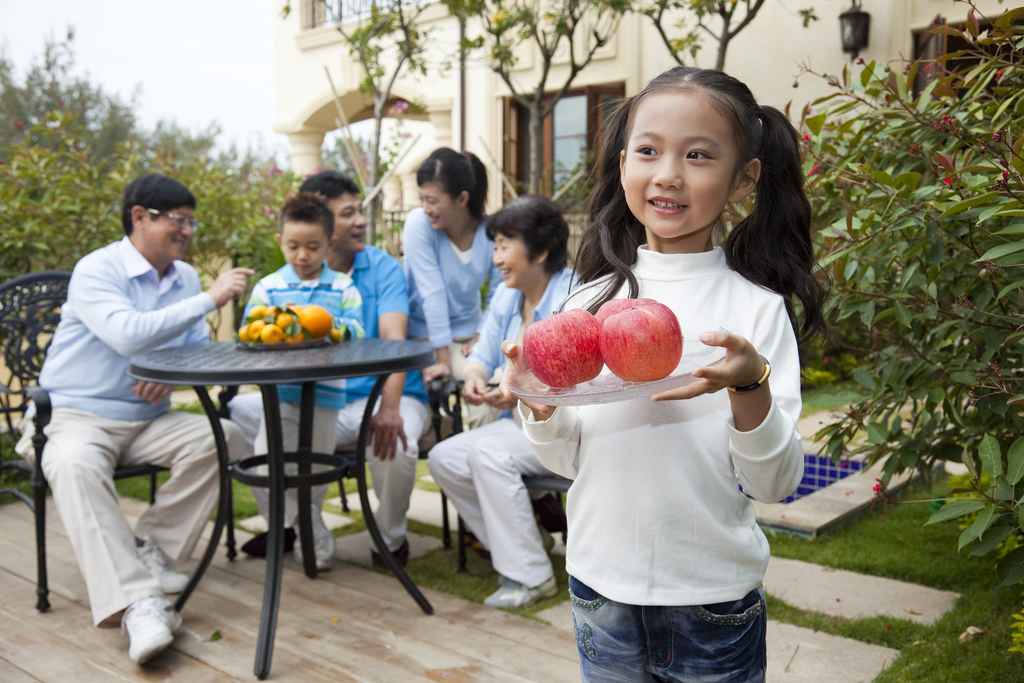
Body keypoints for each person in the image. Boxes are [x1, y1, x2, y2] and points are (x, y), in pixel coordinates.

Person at [498, 66, 828, 681]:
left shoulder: (752, 310)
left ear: (743, 179)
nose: (668, 173)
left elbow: (774, 482)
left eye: (698, 155)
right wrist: (540, 406)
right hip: (600, 585)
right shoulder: (587, 304)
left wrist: (749, 385)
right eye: (648, 151)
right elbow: (569, 460)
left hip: (711, 595)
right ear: (623, 164)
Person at [14, 173, 251, 665]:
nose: (187, 231)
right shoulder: (97, 269)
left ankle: (153, 552)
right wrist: (211, 297)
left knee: (225, 435)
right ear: (140, 217)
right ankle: (138, 604)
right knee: (74, 463)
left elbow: (196, 353)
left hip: (146, 419)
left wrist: (170, 377)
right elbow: (125, 335)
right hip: (76, 416)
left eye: (191, 221)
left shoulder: (182, 277)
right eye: (179, 221)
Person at [229, 170, 431, 569]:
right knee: (238, 419)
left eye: (360, 211)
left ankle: (388, 539)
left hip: (376, 394)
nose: (360, 220)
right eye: (348, 212)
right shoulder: (276, 285)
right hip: (309, 393)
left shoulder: (376, 270)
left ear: (325, 239)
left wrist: (388, 407)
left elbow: (393, 342)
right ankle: (295, 522)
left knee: (398, 441)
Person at [428, 195, 574, 608]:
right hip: (519, 427)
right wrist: (474, 379)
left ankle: (531, 578)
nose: (496, 258)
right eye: (494, 246)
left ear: (541, 250)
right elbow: (482, 355)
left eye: (505, 245)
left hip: (564, 429)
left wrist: (519, 392)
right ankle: (527, 538)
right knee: (445, 458)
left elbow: (576, 378)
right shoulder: (508, 297)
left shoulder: (575, 296)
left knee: (489, 453)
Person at [240, 192, 365, 571]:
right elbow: (251, 329)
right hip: (279, 393)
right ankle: (304, 520)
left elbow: (358, 332)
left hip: (326, 394)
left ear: (329, 243)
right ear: (280, 242)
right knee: (267, 466)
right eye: (293, 246)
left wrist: (324, 326)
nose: (302, 256)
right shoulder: (268, 287)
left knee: (316, 468)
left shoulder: (342, 288)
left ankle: (306, 517)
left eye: (312, 247)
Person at [403, 148, 504, 429]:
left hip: (469, 339)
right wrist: (443, 359)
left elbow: (499, 292)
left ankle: (480, 464)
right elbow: (431, 291)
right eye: (422, 198)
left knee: (490, 393)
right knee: (468, 398)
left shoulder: (489, 231)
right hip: (424, 340)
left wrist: (483, 334)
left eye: (432, 200)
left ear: (462, 199)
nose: (425, 207)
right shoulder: (418, 225)